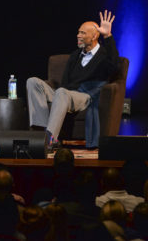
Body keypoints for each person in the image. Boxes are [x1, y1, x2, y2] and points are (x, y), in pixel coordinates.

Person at [26, 10, 119, 149]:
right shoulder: (75, 55)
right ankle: (43, 133)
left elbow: (114, 67)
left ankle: (49, 141)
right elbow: (65, 82)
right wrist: (60, 96)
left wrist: (108, 36)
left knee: (62, 92)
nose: (78, 35)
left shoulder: (103, 55)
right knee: (32, 81)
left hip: (86, 96)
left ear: (94, 36)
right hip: (65, 95)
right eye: (78, 32)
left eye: (83, 33)